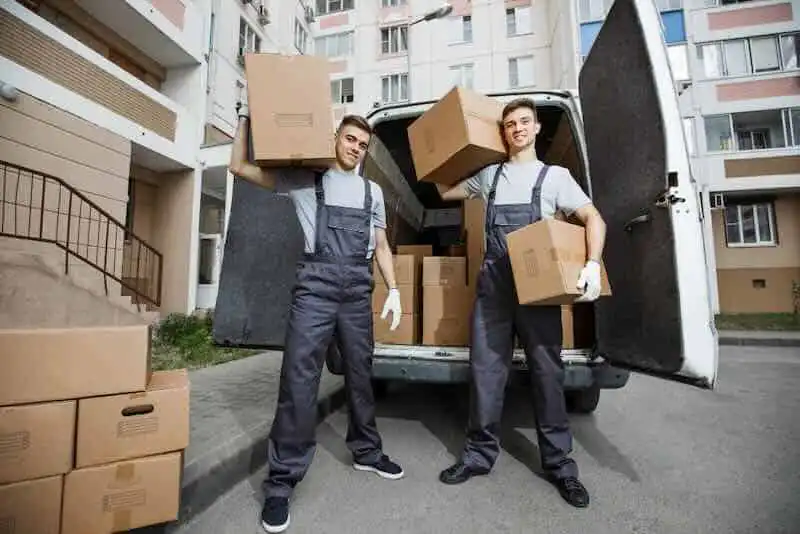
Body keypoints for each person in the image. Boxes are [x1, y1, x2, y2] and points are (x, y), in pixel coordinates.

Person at [229, 97, 405, 533]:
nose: (356, 148)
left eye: (363, 144)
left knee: (362, 374)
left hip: (356, 290)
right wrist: (244, 118)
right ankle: (281, 483)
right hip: (316, 288)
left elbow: (381, 246)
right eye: (350, 139)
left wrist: (396, 290)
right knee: (298, 380)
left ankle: (366, 452)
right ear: (335, 139)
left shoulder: (372, 192)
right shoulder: (307, 180)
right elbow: (239, 168)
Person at [435, 98, 606, 508]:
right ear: (504, 133)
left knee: (548, 375)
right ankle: (478, 456)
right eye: (510, 124)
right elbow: (444, 190)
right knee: (485, 373)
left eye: (524, 122)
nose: (517, 129)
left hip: (538, 290)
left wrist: (593, 264)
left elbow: (593, 219)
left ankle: (561, 466)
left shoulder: (556, 177)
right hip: (494, 289)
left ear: (536, 128)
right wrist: (443, 144)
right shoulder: (489, 175)